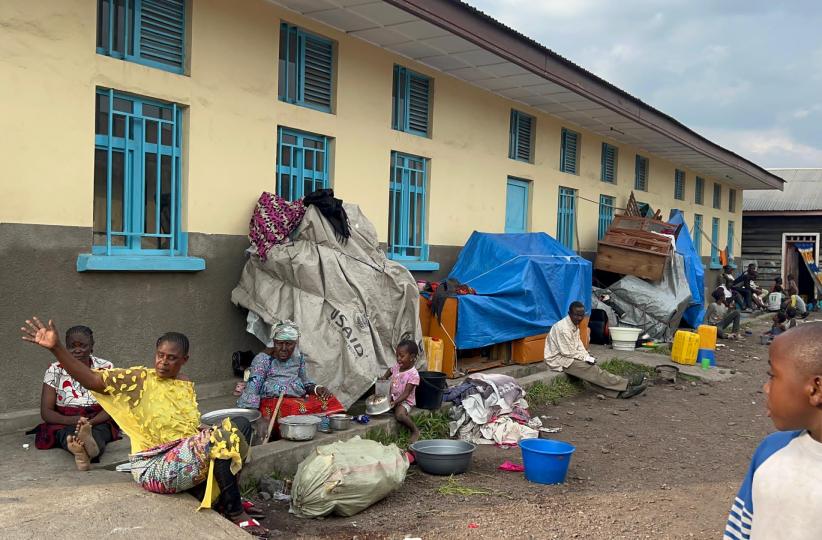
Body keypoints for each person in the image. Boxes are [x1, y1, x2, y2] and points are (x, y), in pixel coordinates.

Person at [21, 317, 267, 536]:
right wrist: (56, 349)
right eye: (160, 355)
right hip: (154, 466)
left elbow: (186, 423)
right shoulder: (139, 380)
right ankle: (234, 512)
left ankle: (224, 496)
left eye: (171, 358)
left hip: (181, 457)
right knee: (222, 437)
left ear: (184, 360)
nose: (163, 362)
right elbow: (93, 380)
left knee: (241, 425)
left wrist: (200, 433)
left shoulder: (185, 384)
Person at [723, 324, 822, 540]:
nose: (766, 388)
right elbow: (739, 530)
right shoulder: (771, 450)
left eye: (772, 375)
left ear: (816, 389)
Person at [31, 325, 120, 470]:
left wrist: (89, 422)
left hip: (97, 419)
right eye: (72, 346)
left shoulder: (106, 367)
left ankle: (84, 449)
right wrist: (73, 420)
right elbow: (46, 412)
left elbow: (112, 406)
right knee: (66, 433)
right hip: (65, 420)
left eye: (83, 346)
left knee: (99, 432)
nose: (77, 350)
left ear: (92, 346)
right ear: (65, 347)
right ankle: (85, 450)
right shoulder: (54, 370)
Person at [237, 320, 344, 439]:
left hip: (297, 400)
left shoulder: (298, 358)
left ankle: (316, 425)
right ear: (274, 342)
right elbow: (251, 392)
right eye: (279, 343)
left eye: (289, 344)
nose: (284, 348)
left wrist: (317, 388)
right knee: (292, 409)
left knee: (328, 400)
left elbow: (305, 382)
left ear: (295, 343)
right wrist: (258, 419)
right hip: (272, 402)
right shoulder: (263, 360)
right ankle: (310, 425)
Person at [544, 302, 647, 399]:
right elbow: (567, 352)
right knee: (591, 370)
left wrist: (586, 356)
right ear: (569, 314)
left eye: (581, 315)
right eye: (576, 315)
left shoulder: (573, 324)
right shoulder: (564, 328)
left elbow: (578, 345)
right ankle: (626, 383)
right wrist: (585, 358)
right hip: (559, 359)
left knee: (591, 369)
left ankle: (619, 394)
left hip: (568, 356)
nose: (579, 318)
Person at [380, 339, 421, 444]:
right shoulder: (397, 367)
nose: (398, 359)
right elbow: (390, 370)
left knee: (399, 415)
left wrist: (396, 402)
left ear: (412, 357)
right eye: (397, 356)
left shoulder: (413, 374)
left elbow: (406, 393)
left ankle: (415, 431)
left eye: (402, 356)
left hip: (404, 401)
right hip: (393, 398)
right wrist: (384, 377)